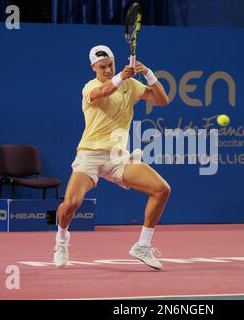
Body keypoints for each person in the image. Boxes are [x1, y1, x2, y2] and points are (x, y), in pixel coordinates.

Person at [53, 45, 170, 270]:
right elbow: (104, 92)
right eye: (102, 67)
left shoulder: (131, 85)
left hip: (118, 157)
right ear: (93, 68)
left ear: (115, 62)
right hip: (90, 156)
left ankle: (143, 246)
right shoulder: (90, 87)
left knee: (161, 189)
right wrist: (121, 76)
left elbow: (162, 100)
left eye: (110, 65)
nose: (107, 70)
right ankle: (61, 240)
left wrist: (148, 74)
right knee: (71, 204)